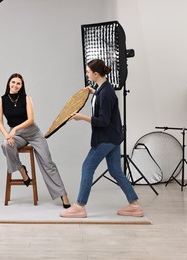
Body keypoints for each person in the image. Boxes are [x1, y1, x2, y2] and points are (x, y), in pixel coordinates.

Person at [60, 59, 143, 218]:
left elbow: (103, 121)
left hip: (107, 138)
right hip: (113, 137)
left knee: (87, 167)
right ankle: (134, 206)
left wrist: (82, 117)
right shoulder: (102, 89)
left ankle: (79, 206)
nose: (86, 74)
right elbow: (103, 103)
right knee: (115, 171)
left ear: (96, 74)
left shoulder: (106, 93)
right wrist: (93, 92)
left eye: (88, 72)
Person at [0, 73, 71, 208]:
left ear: (22, 86)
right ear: (8, 83)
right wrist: (7, 135)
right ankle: (22, 171)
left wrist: (13, 130)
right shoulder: (0, 100)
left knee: (48, 163)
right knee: (6, 145)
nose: (15, 85)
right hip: (17, 135)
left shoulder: (27, 98)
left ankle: (63, 195)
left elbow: (31, 120)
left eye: (18, 83)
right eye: (13, 82)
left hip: (33, 133)